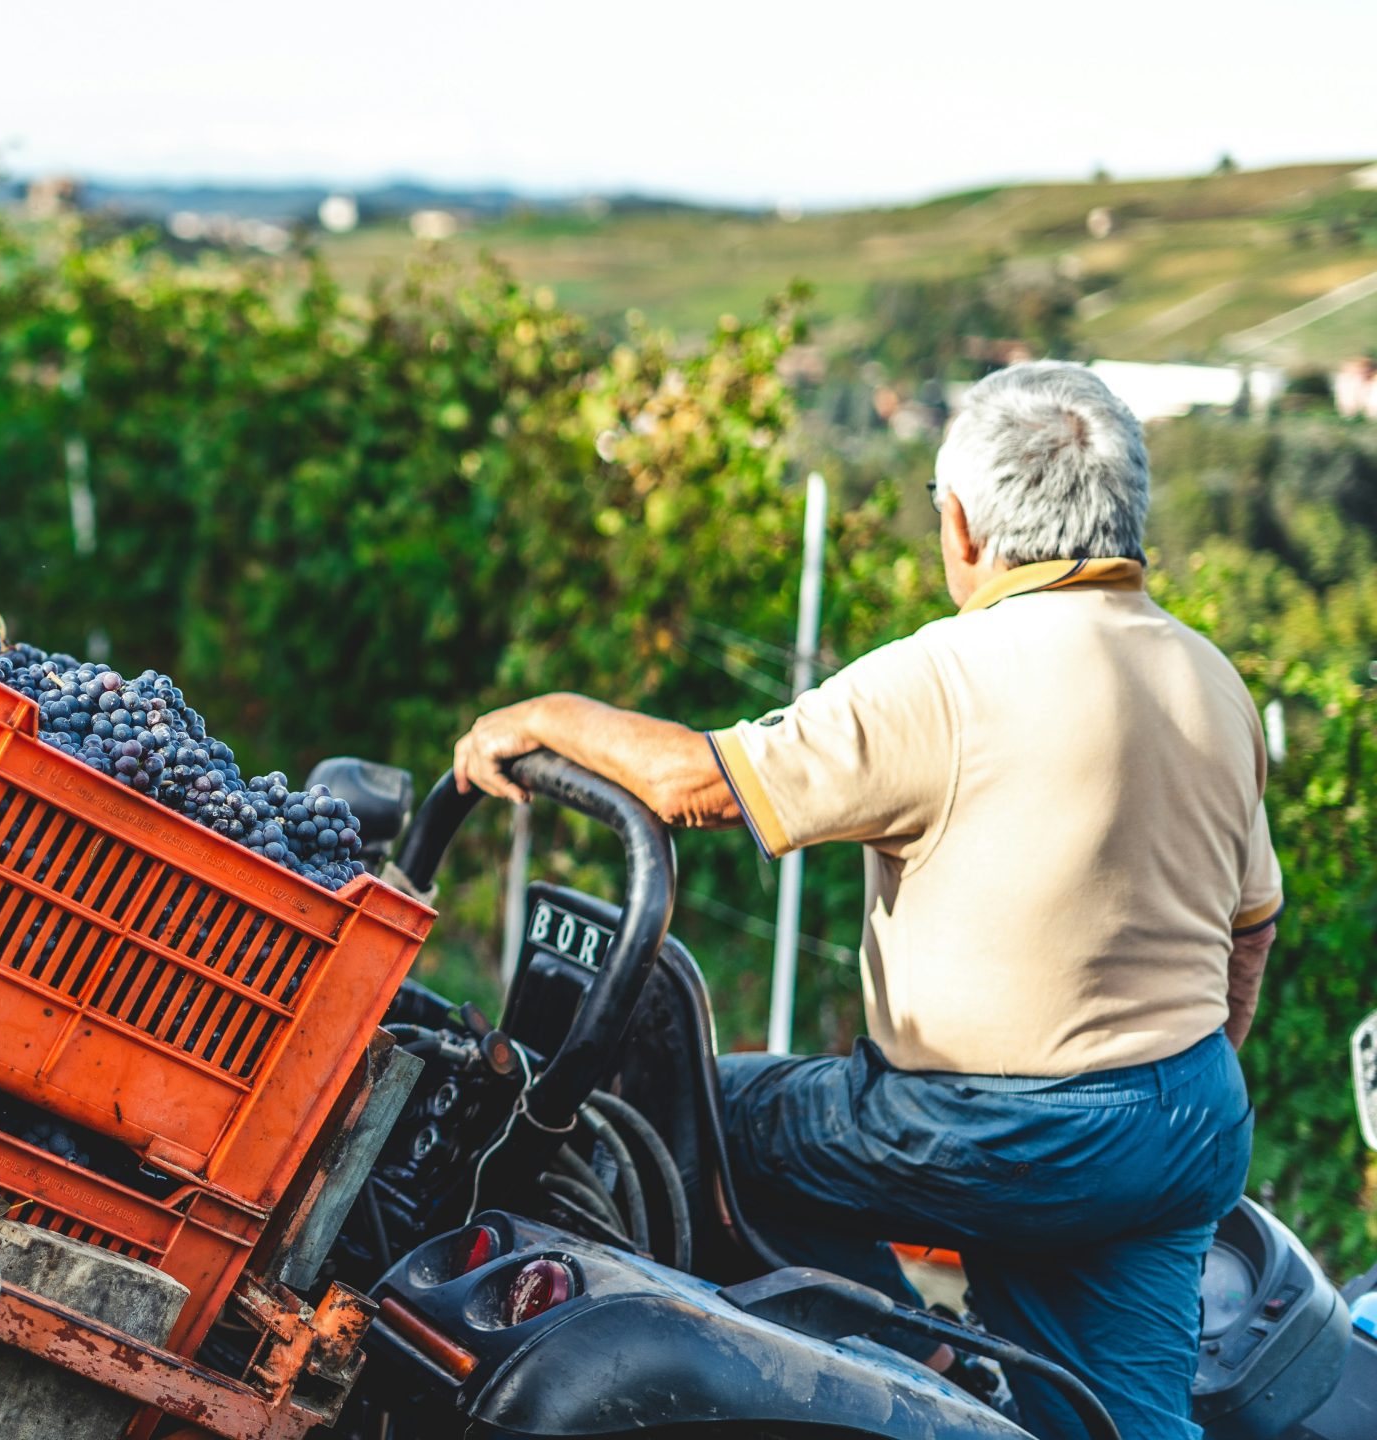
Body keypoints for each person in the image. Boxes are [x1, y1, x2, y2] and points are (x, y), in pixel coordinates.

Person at [451, 361, 1276, 1440]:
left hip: (995, 1136)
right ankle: (966, 1372)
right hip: (1183, 1124)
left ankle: (902, 1366)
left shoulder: (950, 675)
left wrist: (543, 713)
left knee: (712, 1120)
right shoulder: (1208, 676)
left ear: (965, 530)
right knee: (1124, 1420)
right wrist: (1161, 1083)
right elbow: (1250, 930)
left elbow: (698, 783)